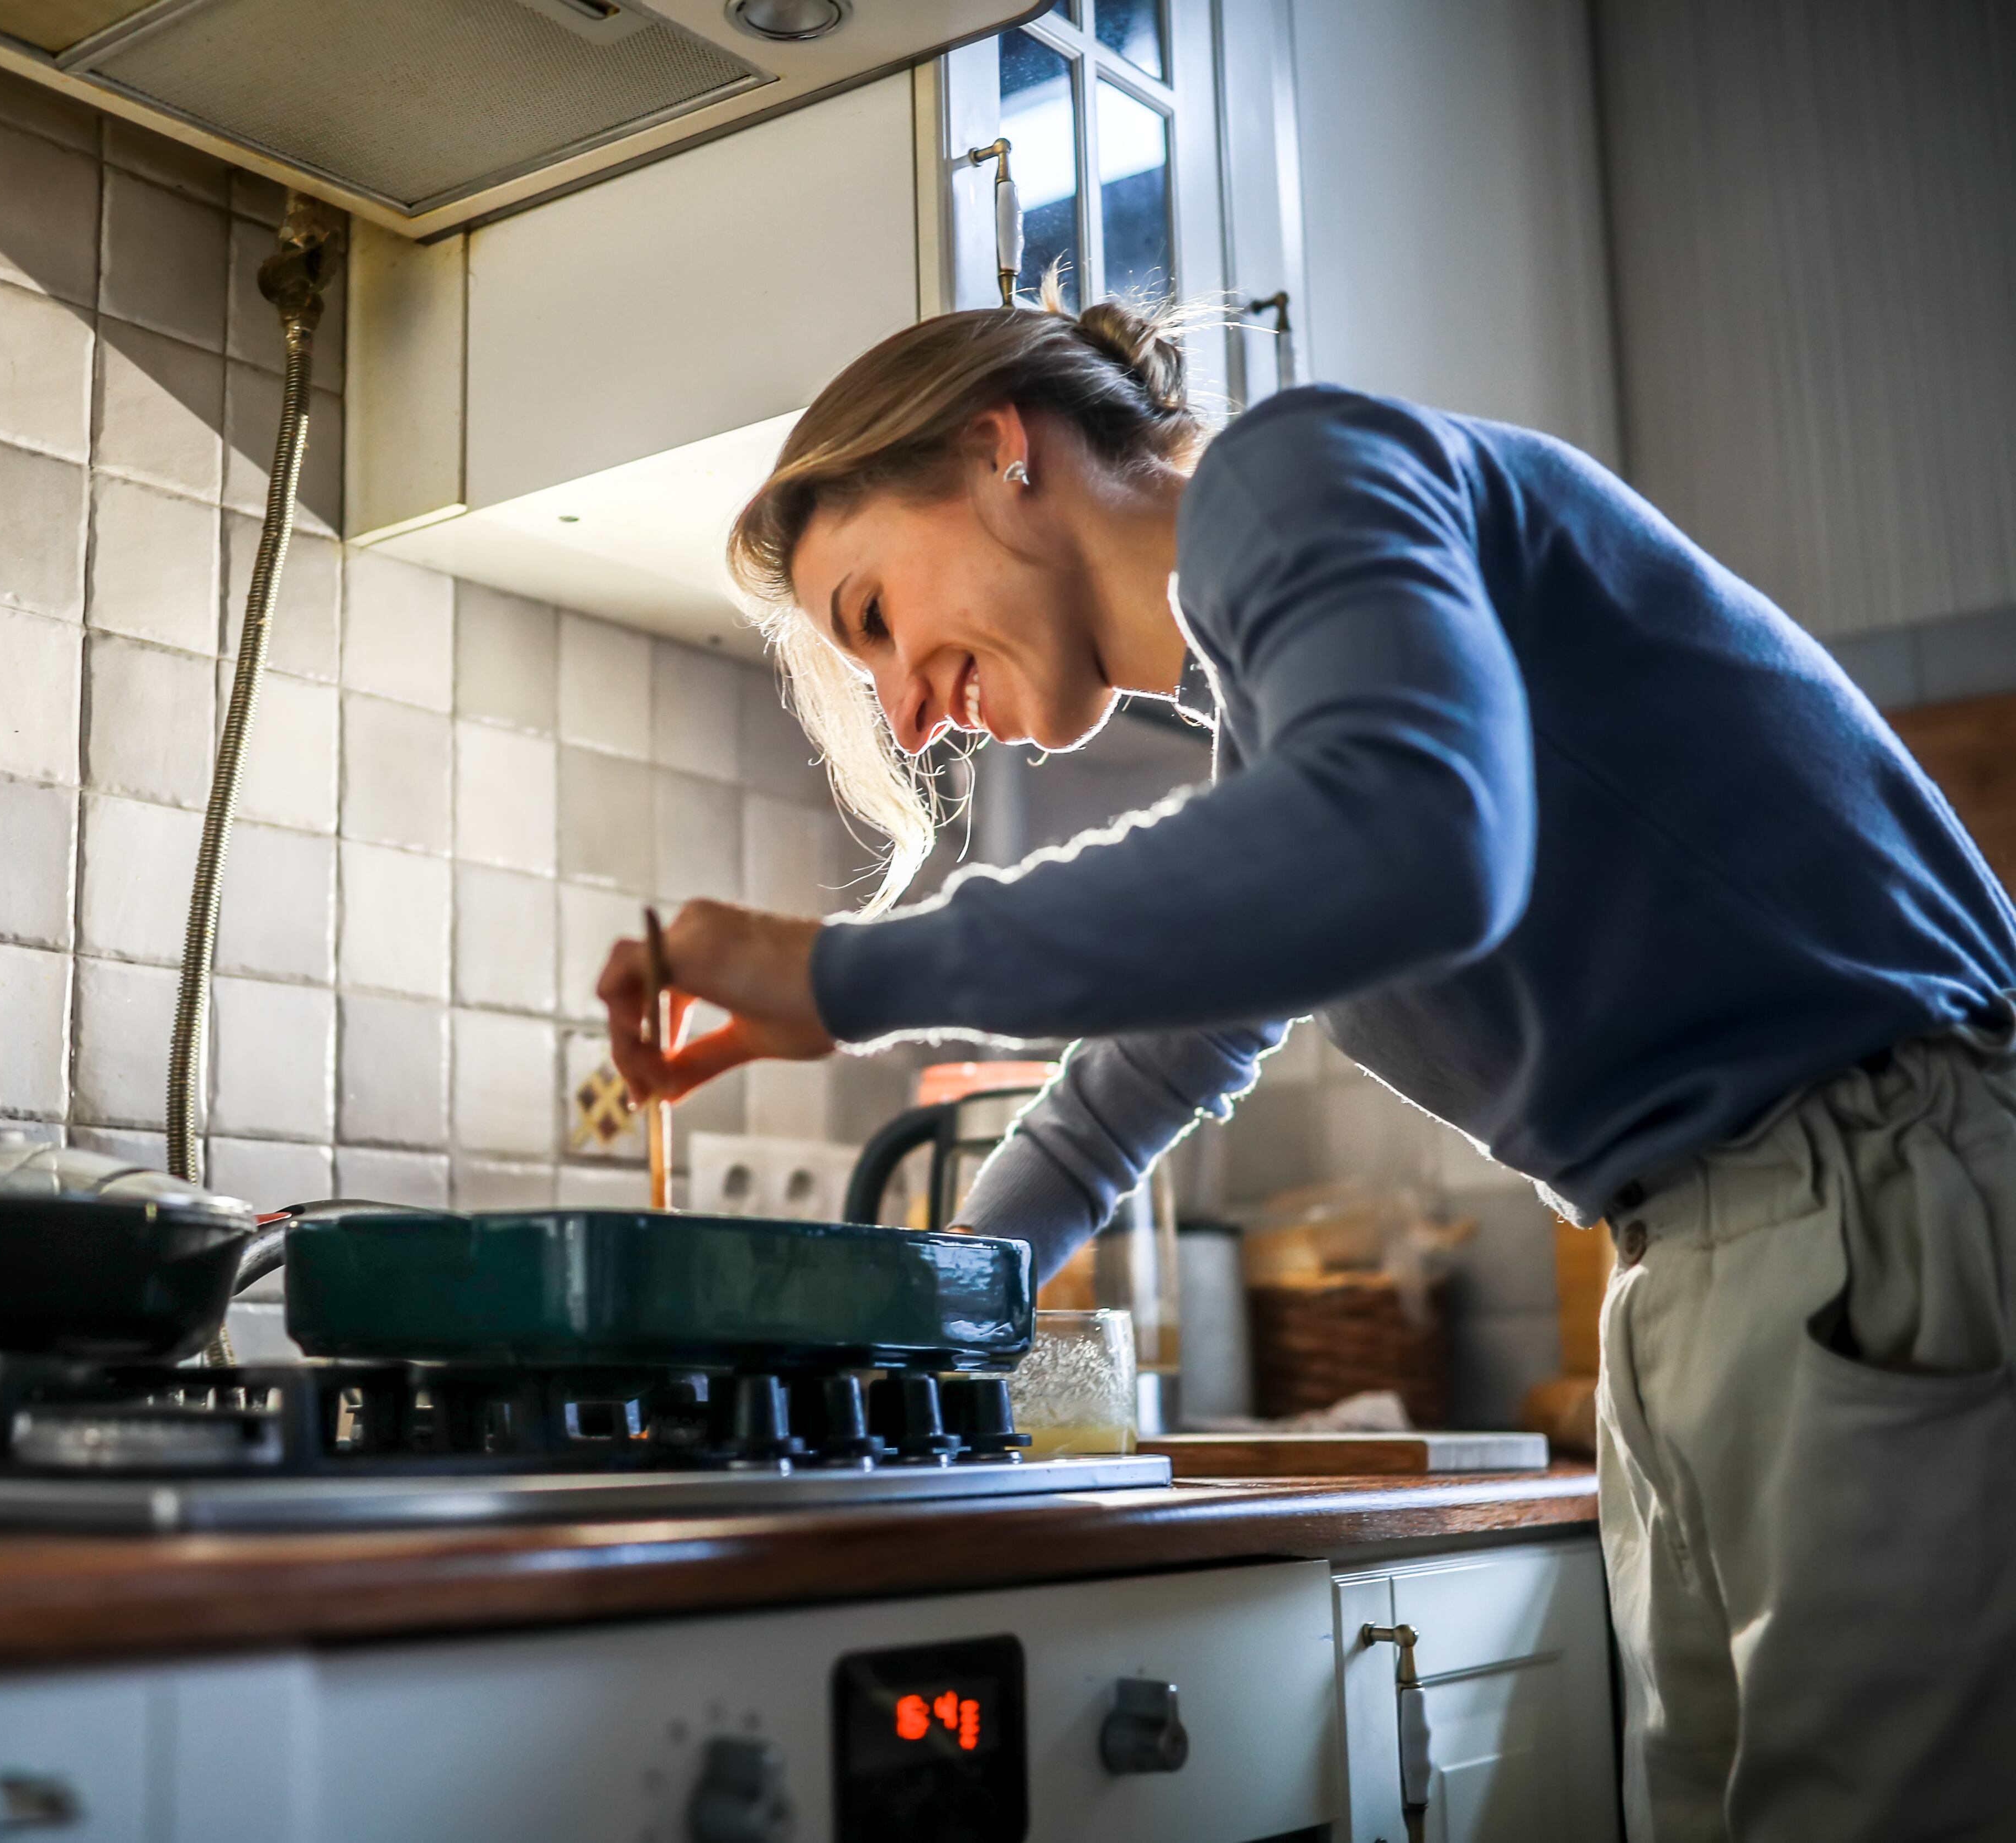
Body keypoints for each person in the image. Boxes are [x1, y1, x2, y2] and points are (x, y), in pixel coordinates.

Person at [599, 297, 2016, 1840]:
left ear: (999, 448)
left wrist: (839, 976)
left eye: (874, 615)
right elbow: (1122, 1100)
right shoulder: (1279, 737)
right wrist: (911, 1339)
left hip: (1882, 1203)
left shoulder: (1298, 471)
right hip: (1725, 1264)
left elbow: (1410, 835)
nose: (907, 710)